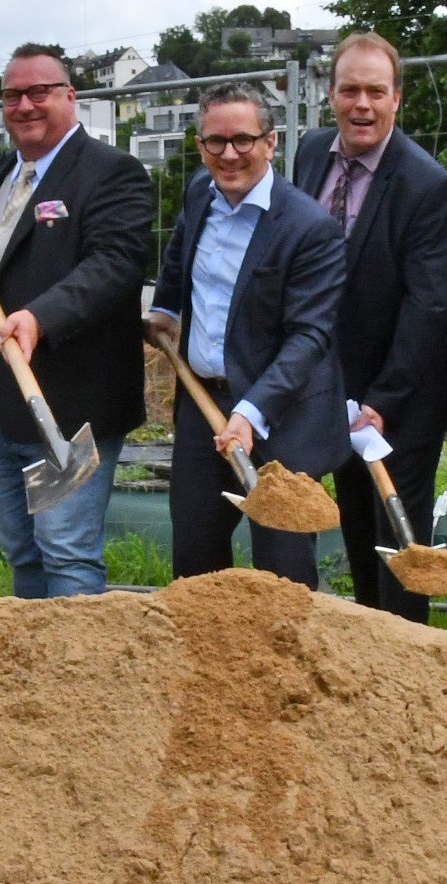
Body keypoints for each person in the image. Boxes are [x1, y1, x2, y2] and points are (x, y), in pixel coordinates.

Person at [0, 43, 153, 598]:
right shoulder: (2, 171)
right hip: (6, 403)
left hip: (71, 404)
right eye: (13, 94)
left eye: (40, 91)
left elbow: (114, 265)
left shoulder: (112, 173)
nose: (25, 105)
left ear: (71, 96)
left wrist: (41, 316)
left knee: (66, 551)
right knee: (22, 547)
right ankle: (38, 672)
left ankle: (78, 677)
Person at [287, 32, 447, 624]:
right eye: (349, 90)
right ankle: (370, 655)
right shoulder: (312, 154)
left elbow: (430, 308)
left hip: (402, 395)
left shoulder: (427, 185)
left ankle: (409, 660)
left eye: (375, 92)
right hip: (334, 385)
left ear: (397, 100)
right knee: (359, 528)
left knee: (399, 537)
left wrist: (383, 401)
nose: (361, 105)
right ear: (330, 95)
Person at [146, 82, 348, 587]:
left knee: (282, 564)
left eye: (244, 140)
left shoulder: (310, 228)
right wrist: (166, 307)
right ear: (199, 145)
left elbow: (309, 338)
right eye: (215, 142)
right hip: (203, 401)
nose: (229, 154)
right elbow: (179, 249)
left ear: (271, 142)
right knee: (195, 553)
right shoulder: (199, 191)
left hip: (284, 413)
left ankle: (287, 660)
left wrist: (250, 414)